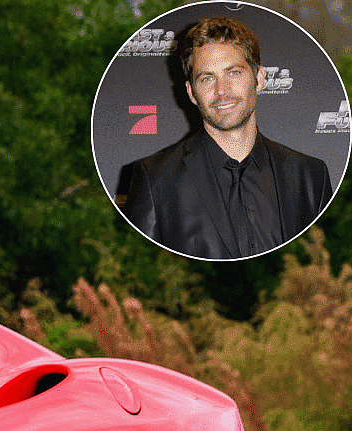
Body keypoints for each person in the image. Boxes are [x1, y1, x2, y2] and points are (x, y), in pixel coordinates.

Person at [121, 16, 331, 260]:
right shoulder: (155, 180)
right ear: (191, 92)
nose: (221, 90)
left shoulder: (310, 176)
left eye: (234, 72)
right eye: (207, 78)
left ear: (260, 78)